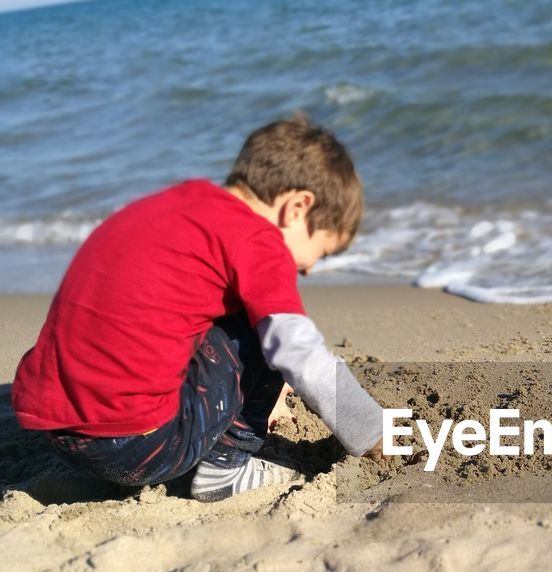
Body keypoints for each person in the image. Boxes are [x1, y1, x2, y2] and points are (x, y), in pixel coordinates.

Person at [12, 115, 384, 501]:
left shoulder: (175, 208)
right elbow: (300, 353)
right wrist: (373, 431)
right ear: (297, 207)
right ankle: (227, 466)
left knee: (225, 313)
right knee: (266, 328)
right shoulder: (257, 238)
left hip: (60, 432)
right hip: (137, 447)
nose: (308, 269)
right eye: (320, 251)